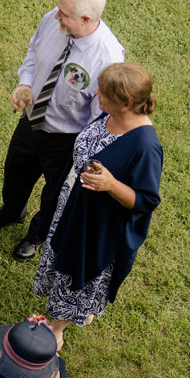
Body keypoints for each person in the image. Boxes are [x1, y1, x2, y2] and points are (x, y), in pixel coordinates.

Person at [0, 0, 124, 263]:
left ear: (86, 18)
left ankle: (36, 235)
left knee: (54, 195)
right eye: (58, 9)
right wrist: (26, 83)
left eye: (64, 13)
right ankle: (12, 211)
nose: (56, 16)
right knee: (16, 171)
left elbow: (99, 117)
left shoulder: (108, 59)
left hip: (65, 139)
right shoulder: (53, 19)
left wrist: (83, 154)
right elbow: (33, 52)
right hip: (32, 121)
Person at [32, 62, 163, 349]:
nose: (97, 95)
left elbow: (146, 201)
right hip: (71, 206)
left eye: (103, 93)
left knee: (72, 275)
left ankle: (55, 330)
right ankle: (67, 314)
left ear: (126, 103)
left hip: (94, 227)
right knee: (60, 262)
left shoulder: (145, 146)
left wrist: (111, 185)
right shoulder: (109, 113)